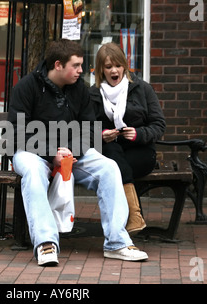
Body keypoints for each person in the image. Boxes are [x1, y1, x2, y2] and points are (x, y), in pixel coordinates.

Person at [7, 39, 148, 266]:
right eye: (76, 65)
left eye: (81, 65)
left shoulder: (79, 89)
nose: (82, 70)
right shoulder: (26, 87)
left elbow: (91, 128)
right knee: (33, 173)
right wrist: (52, 153)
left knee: (109, 167)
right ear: (58, 65)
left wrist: (71, 150)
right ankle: (45, 243)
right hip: (32, 153)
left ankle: (117, 242)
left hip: (73, 153)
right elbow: (15, 133)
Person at [89, 42, 166, 234]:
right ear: (101, 70)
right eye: (108, 67)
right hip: (109, 150)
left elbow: (158, 125)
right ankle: (133, 217)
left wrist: (139, 134)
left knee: (114, 169)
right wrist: (101, 135)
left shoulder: (142, 89)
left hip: (140, 151)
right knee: (112, 160)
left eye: (118, 65)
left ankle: (126, 220)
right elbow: (85, 127)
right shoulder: (92, 93)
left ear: (125, 66)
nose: (114, 71)